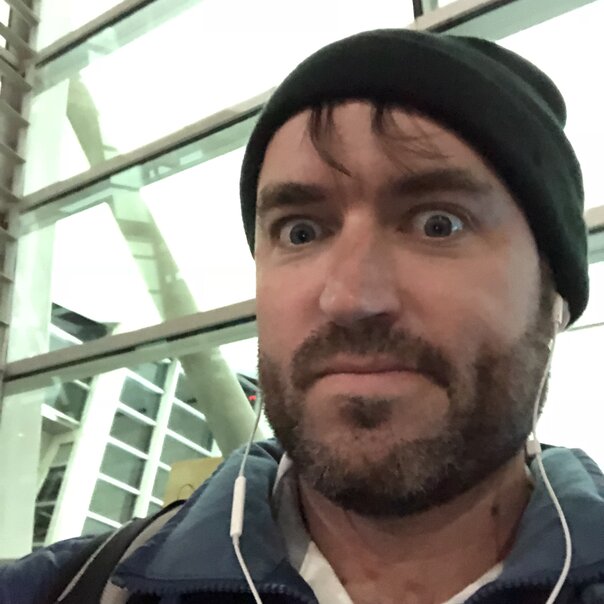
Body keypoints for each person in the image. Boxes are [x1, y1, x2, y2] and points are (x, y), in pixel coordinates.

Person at [1, 28, 603, 604]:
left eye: (437, 223)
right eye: (301, 231)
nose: (350, 297)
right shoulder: (67, 591)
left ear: (555, 293)